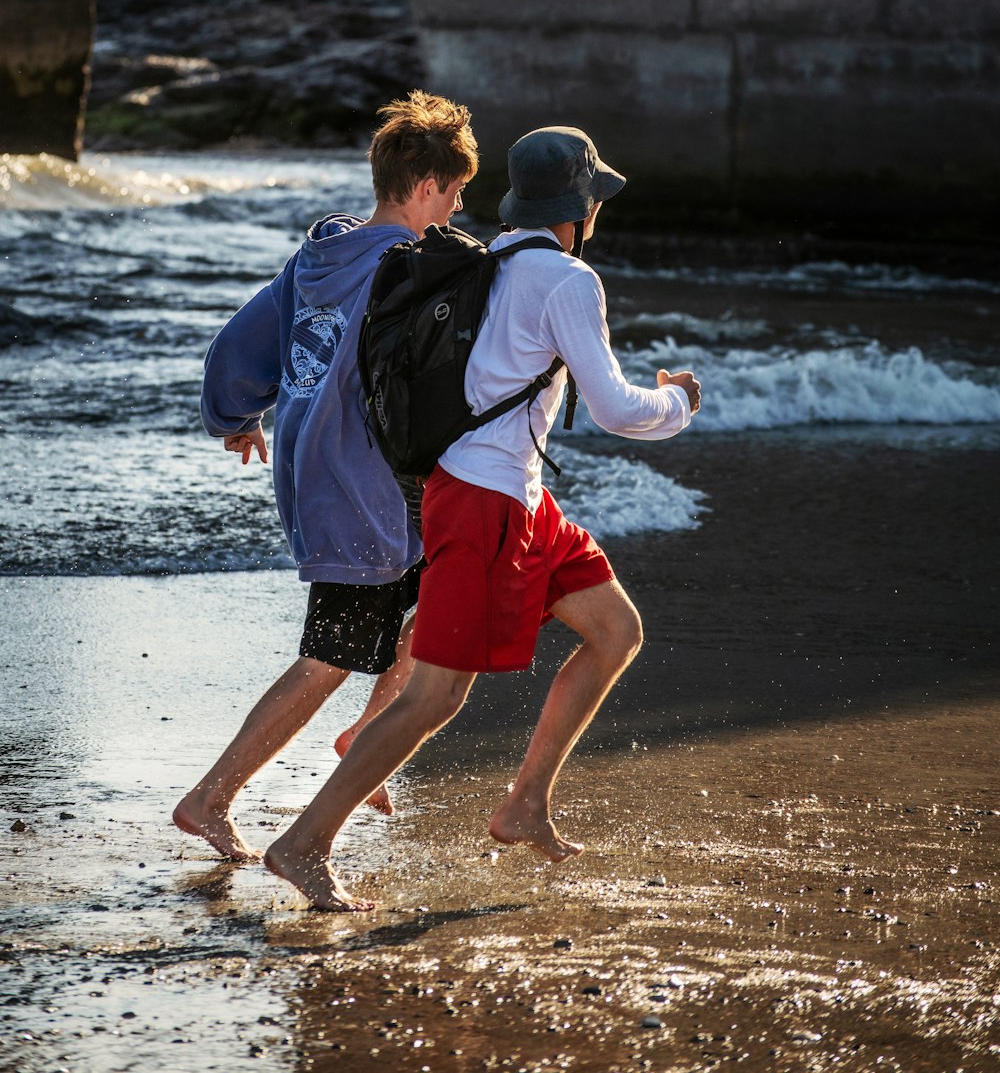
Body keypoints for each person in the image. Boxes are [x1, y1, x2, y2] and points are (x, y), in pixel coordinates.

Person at [260, 125, 701, 909]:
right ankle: (304, 842)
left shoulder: (488, 256)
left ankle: (525, 804)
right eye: (595, 198)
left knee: (616, 630)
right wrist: (679, 400)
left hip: (516, 496)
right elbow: (616, 409)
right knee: (435, 697)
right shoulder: (568, 281)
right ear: (581, 205)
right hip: (485, 503)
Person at [172, 90, 479, 861]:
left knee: (440, 597)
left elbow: (237, 348)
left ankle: (366, 737)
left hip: (339, 471)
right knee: (332, 654)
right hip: (356, 485)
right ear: (421, 189)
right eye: (453, 192)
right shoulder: (413, 271)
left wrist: (233, 417)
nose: (457, 208)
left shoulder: (316, 257)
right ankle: (210, 798)